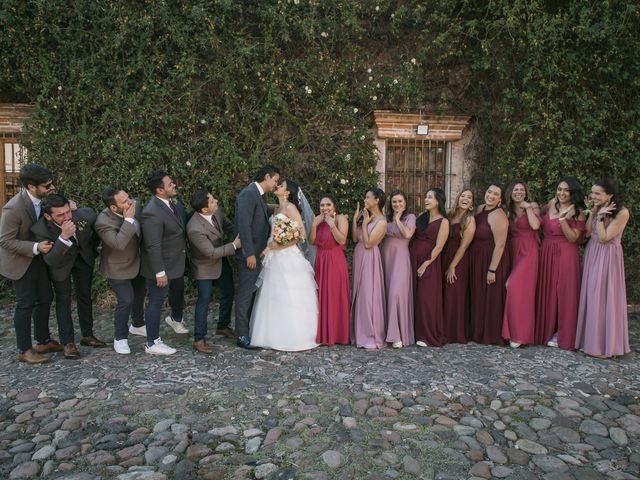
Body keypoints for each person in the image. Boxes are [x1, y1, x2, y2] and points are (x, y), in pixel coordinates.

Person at [31, 193, 105, 359]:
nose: (66, 217)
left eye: (67, 212)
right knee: (63, 299)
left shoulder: (83, 214)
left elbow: (93, 219)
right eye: (60, 215)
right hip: (60, 264)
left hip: (82, 258)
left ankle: (87, 335)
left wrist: (92, 248)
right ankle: (68, 343)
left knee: (85, 296)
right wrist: (63, 237)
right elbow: (50, 260)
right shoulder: (40, 229)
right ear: (47, 216)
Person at [250, 179, 319, 351]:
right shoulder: (277, 208)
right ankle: (270, 335)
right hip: (274, 257)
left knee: (289, 293)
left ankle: (294, 337)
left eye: (281, 186)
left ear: (287, 193)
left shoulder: (290, 208)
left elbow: (301, 234)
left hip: (287, 256)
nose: (277, 186)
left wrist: (278, 245)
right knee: (272, 294)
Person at [0, 164, 58, 363]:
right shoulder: (13, 208)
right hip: (20, 261)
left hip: (38, 259)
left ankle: (43, 341)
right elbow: (5, 241)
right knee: (25, 304)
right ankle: (25, 350)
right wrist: (34, 247)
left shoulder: (43, 199)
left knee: (45, 297)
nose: (51, 188)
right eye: (46, 185)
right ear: (31, 187)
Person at [575, 179, 630, 358]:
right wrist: (593, 212)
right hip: (593, 253)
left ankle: (605, 346)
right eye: (592, 192)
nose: (593, 196)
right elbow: (589, 232)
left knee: (604, 296)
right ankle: (589, 341)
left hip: (608, 257)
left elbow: (605, 237)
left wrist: (599, 217)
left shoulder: (622, 212)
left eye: (598, 193)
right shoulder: (598, 208)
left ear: (610, 195)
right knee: (592, 294)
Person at [94, 186, 147, 355]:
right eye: (125, 201)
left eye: (128, 197)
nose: (130, 202)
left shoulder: (134, 206)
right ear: (113, 208)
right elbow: (118, 243)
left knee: (139, 293)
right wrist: (129, 220)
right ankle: (120, 338)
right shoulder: (103, 222)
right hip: (117, 266)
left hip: (138, 261)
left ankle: (137, 325)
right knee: (126, 300)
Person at [140, 171, 188, 355]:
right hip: (161, 267)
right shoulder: (151, 213)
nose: (174, 185)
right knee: (156, 302)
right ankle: (151, 343)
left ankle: (175, 319)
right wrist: (159, 272)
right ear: (160, 190)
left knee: (177, 292)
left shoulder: (172, 204)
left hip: (176, 263)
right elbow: (153, 245)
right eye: (170, 184)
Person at [187, 189, 241, 354]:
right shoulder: (194, 228)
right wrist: (234, 246)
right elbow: (210, 253)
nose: (216, 201)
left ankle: (223, 326)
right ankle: (199, 339)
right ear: (204, 209)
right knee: (204, 300)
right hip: (204, 266)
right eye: (212, 200)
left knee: (228, 292)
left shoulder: (216, 212)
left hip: (221, 260)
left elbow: (228, 226)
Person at [535, 176, 586, 350]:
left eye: (566, 190)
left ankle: (565, 334)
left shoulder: (578, 210)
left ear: (573, 193)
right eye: (559, 189)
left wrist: (563, 219)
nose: (561, 193)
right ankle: (546, 330)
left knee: (565, 293)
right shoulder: (550, 203)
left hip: (566, 253)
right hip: (547, 251)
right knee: (547, 290)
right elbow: (537, 220)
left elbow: (574, 238)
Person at [234, 164, 280, 349]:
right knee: (245, 295)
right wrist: (249, 254)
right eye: (275, 180)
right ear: (267, 177)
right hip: (250, 255)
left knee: (251, 292)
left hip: (257, 253)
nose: (276, 184)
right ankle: (242, 336)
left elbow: (258, 212)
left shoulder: (257, 194)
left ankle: (248, 330)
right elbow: (243, 226)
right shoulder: (248, 194)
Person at [469, 184, 509, 345]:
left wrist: (492, 269)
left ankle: (489, 334)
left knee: (489, 296)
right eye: (489, 192)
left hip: (491, 259)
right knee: (478, 294)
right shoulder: (479, 209)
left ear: (500, 199)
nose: (491, 196)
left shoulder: (499, 215)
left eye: (496, 194)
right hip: (476, 257)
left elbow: (500, 244)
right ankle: (476, 331)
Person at [502, 181, 540, 348]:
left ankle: (519, 334)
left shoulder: (532, 206)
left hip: (529, 251)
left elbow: (535, 225)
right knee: (520, 291)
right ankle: (512, 332)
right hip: (512, 250)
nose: (519, 192)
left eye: (522, 189)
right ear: (510, 193)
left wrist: (528, 208)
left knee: (513, 285)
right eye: (515, 189)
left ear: (526, 192)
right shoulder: (507, 211)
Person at [410, 188, 449, 347]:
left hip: (429, 263)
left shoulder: (443, 221)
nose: (426, 200)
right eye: (426, 197)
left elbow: (439, 246)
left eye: (430, 198)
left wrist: (425, 264)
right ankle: (412, 331)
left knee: (426, 299)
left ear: (438, 201)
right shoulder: (421, 217)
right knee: (413, 295)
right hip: (413, 258)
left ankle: (426, 335)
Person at [309, 194, 350, 346]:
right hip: (320, 261)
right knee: (321, 296)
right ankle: (324, 333)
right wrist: (314, 225)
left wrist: (331, 224)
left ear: (334, 207)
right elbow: (312, 241)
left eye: (328, 205)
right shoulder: (318, 220)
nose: (324, 208)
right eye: (322, 205)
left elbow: (342, 240)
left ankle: (337, 334)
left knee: (334, 296)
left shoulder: (340, 219)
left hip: (335, 261)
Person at [351, 188, 387, 349]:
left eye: (367, 197)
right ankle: (358, 333)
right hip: (358, 257)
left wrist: (365, 224)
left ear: (377, 200)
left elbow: (368, 244)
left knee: (367, 295)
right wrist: (355, 220)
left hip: (369, 257)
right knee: (358, 294)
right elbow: (354, 238)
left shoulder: (382, 221)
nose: (365, 200)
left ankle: (369, 335)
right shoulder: (366, 216)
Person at [381, 190, 416, 348]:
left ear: (405, 203)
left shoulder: (410, 218)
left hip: (401, 259)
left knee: (396, 293)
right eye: (394, 202)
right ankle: (385, 332)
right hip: (385, 258)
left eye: (400, 201)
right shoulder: (385, 219)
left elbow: (408, 235)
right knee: (386, 293)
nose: (397, 204)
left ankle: (398, 335)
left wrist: (397, 219)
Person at [442, 189, 476, 344]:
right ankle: (443, 329)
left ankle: (454, 333)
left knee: (454, 294)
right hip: (445, 256)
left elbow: (464, 246)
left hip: (459, 260)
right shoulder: (450, 216)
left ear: (471, 204)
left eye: (469, 197)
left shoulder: (469, 220)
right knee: (444, 294)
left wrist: (452, 266)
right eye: (463, 195)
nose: (465, 198)